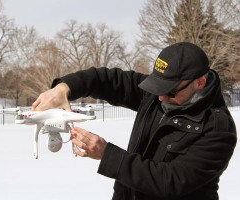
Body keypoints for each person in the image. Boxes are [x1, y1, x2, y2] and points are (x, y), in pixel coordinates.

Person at [32, 42, 237, 200]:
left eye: (169, 91)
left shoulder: (218, 130)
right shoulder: (157, 92)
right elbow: (107, 79)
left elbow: (170, 181)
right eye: (158, 88)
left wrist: (106, 154)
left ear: (200, 82)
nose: (160, 97)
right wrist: (63, 88)